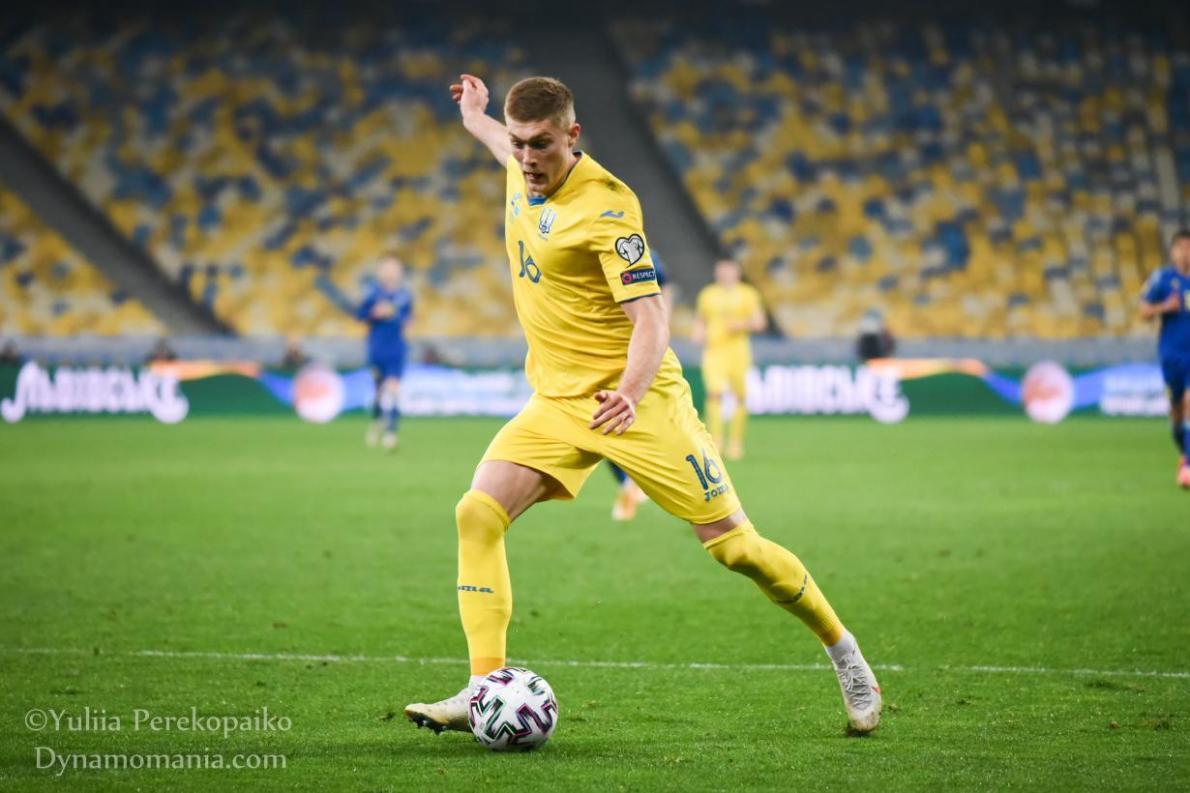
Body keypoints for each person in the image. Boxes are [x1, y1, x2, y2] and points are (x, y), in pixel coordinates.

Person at [404, 75, 881, 736]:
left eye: (541, 144)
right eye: (518, 143)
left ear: (572, 136)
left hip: (638, 399)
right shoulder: (519, 165)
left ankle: (844, 652)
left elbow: (653, 317)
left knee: (735, 548)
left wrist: (629, 394)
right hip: (558, 399)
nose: (527, 157)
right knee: (476, 513)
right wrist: (475, 118)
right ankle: (484, 687)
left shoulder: (607, 206)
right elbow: (497, 143)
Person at [692, 259, 765, 460]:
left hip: (738, 352)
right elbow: (701, 319)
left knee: (739, 397)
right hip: (714, 351)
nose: (724, 275)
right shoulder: (708, 294)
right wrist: (697, 333)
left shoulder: (748, 293)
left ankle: (735, 442)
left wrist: (740, 325)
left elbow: (759, 322)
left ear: (737, 273)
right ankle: (716, 441)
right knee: (714, 394)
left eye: (728, 271)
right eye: (721, 271)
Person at [1139, 229, 1190, 488]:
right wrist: (1164, 307)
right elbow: (1143, 311)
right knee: (1177, 413)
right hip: (1171, 356)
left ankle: (1189, 466)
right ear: (1173, 251)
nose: (1186, 252)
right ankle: (1184, 453)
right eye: (1181, 247)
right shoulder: (1162, 278)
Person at [357, 254, 413, 451]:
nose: (391, 271)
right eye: (387, 267)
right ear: (380, 271)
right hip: (377, 348)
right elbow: (360, 315)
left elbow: (408, 319)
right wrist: (374, 313)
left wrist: (394, 314)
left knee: (394, 388)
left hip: (396, 348)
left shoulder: (405, 295)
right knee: (379, 391)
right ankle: (377, 421)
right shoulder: (372, 294)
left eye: (394, 267)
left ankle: (391, 432)